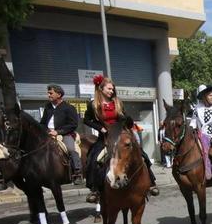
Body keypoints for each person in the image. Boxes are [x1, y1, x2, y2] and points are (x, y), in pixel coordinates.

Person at [83, 75, 159, 203]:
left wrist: (126, 121)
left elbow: (124, 117)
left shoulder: (118, 102)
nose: (111, 91)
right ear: (101, 89)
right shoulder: (93, 105)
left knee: (142, 155)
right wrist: (99, 127)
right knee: (94, 158)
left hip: (120, 134)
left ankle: (151, 182)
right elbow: (86, 120)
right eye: (109, 89)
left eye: (112, 89)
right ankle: (95, 190)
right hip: (106, 137)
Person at [39, 84, 83, 184]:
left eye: (51, 93)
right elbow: (42, 123)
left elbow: (73, 124)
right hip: (48, 134)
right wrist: (45, 131)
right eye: (48, 93)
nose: (48, 95)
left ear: (58, 94)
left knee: (71, 149)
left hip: (64, 134)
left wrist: (58, 132)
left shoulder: (69, 108)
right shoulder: (48, 107)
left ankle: (77, 173)